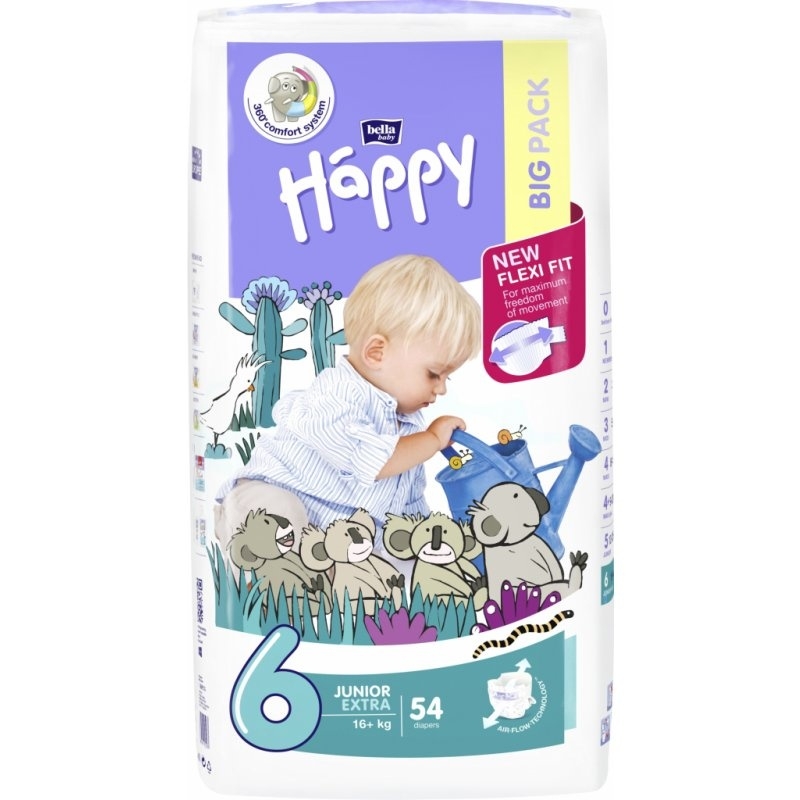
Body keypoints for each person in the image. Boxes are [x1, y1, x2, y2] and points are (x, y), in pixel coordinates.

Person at [214, 254, 481, 548]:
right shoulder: (337, 394)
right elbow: (375, 461)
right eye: (433, 374)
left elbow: (408, 504)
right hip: (266, 498)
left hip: (329, 534)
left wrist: (422, 541)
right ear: (376, 353)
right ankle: (250, 556)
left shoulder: (408, 427)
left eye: (447, 378)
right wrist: (432, 439)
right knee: (281, 518)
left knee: (390, 555)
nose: (441, 390)